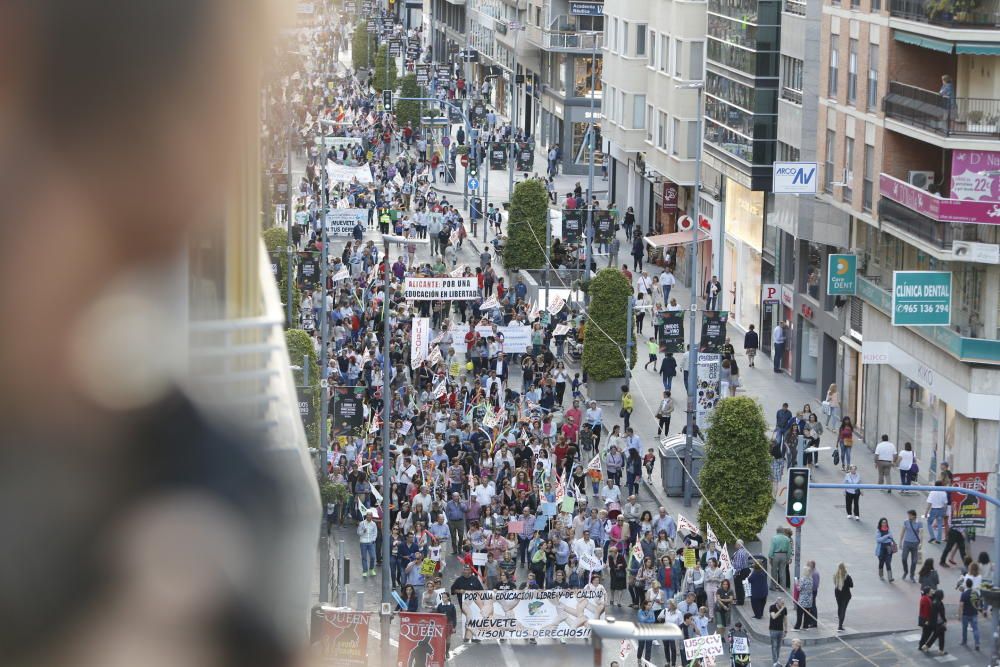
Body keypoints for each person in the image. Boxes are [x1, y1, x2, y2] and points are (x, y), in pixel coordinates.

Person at [919, 589, 948, 655]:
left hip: (933, 622)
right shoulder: (939, 603)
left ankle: (940, 650)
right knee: (937, 635)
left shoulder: (934, 601)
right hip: (939, 622)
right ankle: (927, 646)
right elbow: (942, 614)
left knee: (940, 635)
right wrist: (945, 621)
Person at [899, 509, 923, 582]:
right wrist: (900, 542)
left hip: (915, 543)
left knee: (914, 561)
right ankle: (905, 571)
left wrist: (921, 543)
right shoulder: (906, 522)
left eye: (910, 515)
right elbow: (902, 531)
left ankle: (912, 575)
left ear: (914, 515)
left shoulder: (919, 523)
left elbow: (921, 533)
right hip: (906, 542)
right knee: (904, 558)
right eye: (908, 515)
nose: (908, 516)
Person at [960, 578, 981, 651]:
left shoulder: (964, 594)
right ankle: (977, 644)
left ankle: (964, 641)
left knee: (964, 628)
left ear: (966, 585)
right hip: (974, 613)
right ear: (972, 584)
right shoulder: (975, 593)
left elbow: (961, 605)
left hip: (965, 614)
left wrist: (960, 614)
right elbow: (978, 603)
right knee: (975, 629)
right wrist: (977, 609)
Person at [793, 564, 815, 630]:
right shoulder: (811, 579)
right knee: (806, 614)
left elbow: (799, 589)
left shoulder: (803, 579)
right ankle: (805, 626)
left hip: (802, 599)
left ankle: (797, 626)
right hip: (809, 600)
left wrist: (796, 583)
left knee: (799, 614)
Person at [832, 562, 853, 631]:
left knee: (840, 607)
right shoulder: (847, 576)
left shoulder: (835, 575)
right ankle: (840, 625)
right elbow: (851, 585)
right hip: (845, 594)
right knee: (843, 609)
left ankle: (840, 622)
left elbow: (835, 583)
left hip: (838, 593)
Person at [876, 517, 896, 582]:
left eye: (885, 522)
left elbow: (891, 538)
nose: (884, 523)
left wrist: (885, 538)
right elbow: (878, 540)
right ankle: (881, 575)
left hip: (889, 548)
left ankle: (890, 578)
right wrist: (887, 536)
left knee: (888, 562)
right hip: (881, 548)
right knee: (881, 562)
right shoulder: (878, 531)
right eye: (883, 522)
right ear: (880, 523)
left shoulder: (888, 530)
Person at [768, 598, 788, 666]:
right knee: (774, 646)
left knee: (778, 646)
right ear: (777, 602)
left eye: (783, 603)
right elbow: (774, 616)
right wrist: (781, 609)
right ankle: (774, 661)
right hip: (773, 630)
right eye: (782, 603)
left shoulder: (784, 609)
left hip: (780, 630)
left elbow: (785, 619)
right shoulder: (772, 607)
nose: (783, 604)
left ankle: (777, 660)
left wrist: (786, 630)